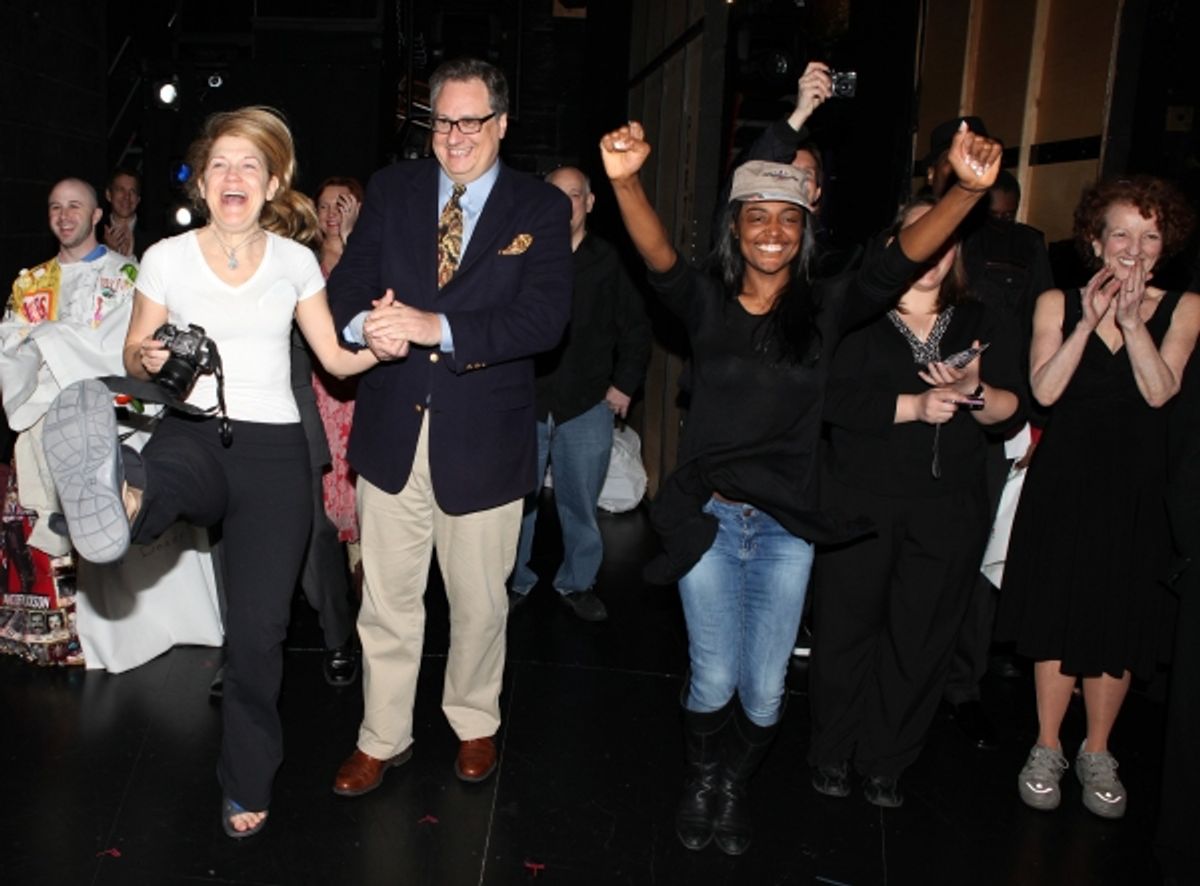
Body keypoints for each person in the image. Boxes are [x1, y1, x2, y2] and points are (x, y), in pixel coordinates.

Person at [599, 119, 1000, 854]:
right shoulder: (704, 304)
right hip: (710, 522)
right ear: (736, 228)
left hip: (787, 530)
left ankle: (737, 782)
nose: (773, 232)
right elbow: (656, 256)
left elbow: (900, 260)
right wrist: (624, 181)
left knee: (766, 691)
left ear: (805, 230)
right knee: (714, 679)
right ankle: (705, 779)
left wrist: (965, 192)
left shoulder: (827, 307)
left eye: (789, 219)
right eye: (758, 217)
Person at [40, 106, 378, 837]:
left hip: (278, 454)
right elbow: (133, 353)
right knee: (164, 475)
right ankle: (122, 496)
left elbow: (336, 359)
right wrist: (150, 358)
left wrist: (380, 343)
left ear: (273, 180)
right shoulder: (166, 256)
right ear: (201, 177)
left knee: (257, 636)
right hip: (195, 427)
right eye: (219, 163)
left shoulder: (295, 262)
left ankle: (246, 781)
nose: (233, 176)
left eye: (249, 164)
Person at [326, 57, 572, 797]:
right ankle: (382, 736)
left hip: (485, 441)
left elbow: (543, 319)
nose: (456, 137)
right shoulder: (395, 189)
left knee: (478, 600)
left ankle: (473, 723)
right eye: (443, 121)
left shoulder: (538, 209)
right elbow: (343, 288)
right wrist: (372, 326)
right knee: (388, 600)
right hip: (391, 434)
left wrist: (436, 326)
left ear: (500, 123)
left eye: (472, 122)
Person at [807, 196, 1023, 808]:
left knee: (922, 636)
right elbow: (824, 401)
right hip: (859, 498)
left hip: (948, 505)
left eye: (946, 239)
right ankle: (831, 751)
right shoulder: (853, 314)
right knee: (847, 631)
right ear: (894, 245)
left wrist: (976, 390)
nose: (932, 253)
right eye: (919, 238)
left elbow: (1015, 410)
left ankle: (887, 760)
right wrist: (914, 408)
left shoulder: (982, 316)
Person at [998, 175, 1200, 819]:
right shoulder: (1056, 302)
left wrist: (1134, 321)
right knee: (1057, 612)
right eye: (1122, 232)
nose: (1134, 247)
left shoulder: (1185, 307)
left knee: (1116, 617)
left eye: (1150, 235)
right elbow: (1046, 392)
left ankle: (1098, 749)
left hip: (1136, 489)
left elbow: (1161, 392)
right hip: (1064, 483)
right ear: (1095, 238)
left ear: (1164, 245)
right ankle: (1048, 744)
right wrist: (1089, 323)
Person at [508, 165, 651, 622]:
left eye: (573, 194)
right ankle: (515, 579)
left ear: (589, 203)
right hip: (525, 399)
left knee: (581, 504)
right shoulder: (521, 257)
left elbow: (636, 329)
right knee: (515, 502)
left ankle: (577, 582)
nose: (563, 203)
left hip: (587, 402)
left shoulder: (611, 261)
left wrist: (624, 385)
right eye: (554, 194)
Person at [102, 168, 161, 260]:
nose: (127, 197)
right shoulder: (93, 235)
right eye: (121, 190)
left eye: (132, 191)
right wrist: (109, 251)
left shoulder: (155, 238)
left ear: (138, 199)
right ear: (109, 195)